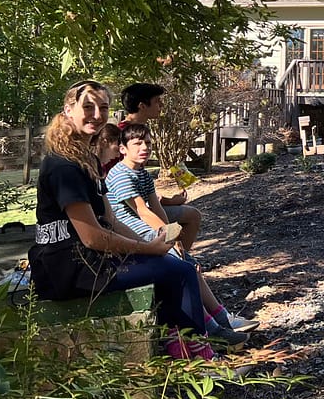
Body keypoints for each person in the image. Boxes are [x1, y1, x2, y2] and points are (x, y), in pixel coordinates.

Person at [28, 80, 218, 361]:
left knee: (174, 267)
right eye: (88, 107)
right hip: (69, 270)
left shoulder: (86, 159)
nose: (96, 114)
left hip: (91, 261)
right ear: (68, 110)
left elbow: (111, 219)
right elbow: (92, 236)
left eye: (103, 107)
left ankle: (186, 352)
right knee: (178, 272)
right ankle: (202, 359)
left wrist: (150, 241)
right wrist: (147, 250)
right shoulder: (63, 166)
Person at [99, 123, 259, 336]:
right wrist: (171, 237)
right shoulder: (121, 174)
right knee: (185, 269)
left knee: (189, 265)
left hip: (151, 233)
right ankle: (213, 327)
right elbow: (142, 213)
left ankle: (222, 319)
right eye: (137, 143)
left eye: (147, 143)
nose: (144, 148)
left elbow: (156, 208)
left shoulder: (143, 174)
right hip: (136, 236)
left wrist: (174, 234)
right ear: (123, 149)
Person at [119, 82, 202, 251]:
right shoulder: (121, 135)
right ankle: (177, 258)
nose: (161, 105)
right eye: (157, 101)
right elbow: (133, 200)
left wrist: (166, 200)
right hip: (126, 213)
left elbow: (141, 185)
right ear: (142, 106)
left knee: (192, 215)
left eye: (147, 144)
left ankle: (180, 258)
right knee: (192, 216)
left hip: (142, 205)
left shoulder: (137, 131)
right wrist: (170, 232)